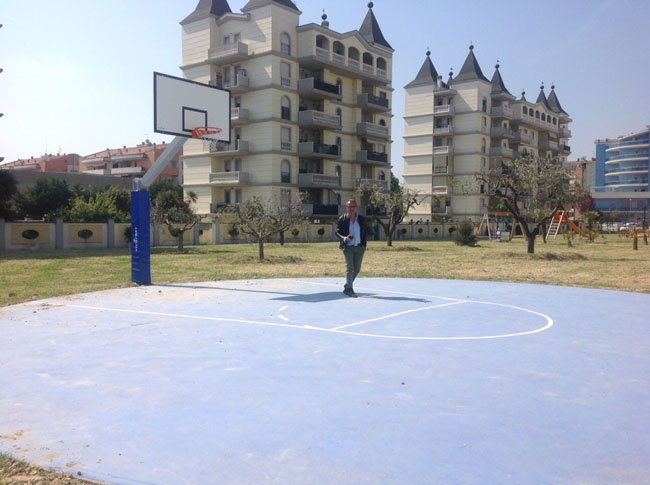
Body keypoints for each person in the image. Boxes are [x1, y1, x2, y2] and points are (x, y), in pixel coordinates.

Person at [336, 199, 367, 298]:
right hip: (348, 247)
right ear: (347, 208)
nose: (352, 208)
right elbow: (337, 232)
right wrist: (344, 238)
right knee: (350, 267)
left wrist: (364, 245)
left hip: (359, 247)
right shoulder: (343, 219)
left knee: (357, 269)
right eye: (350, 207)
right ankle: (349, 289)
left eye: (353, 206)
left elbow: (365, 232)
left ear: (356, 208)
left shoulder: (361, 219)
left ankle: (347, 285)